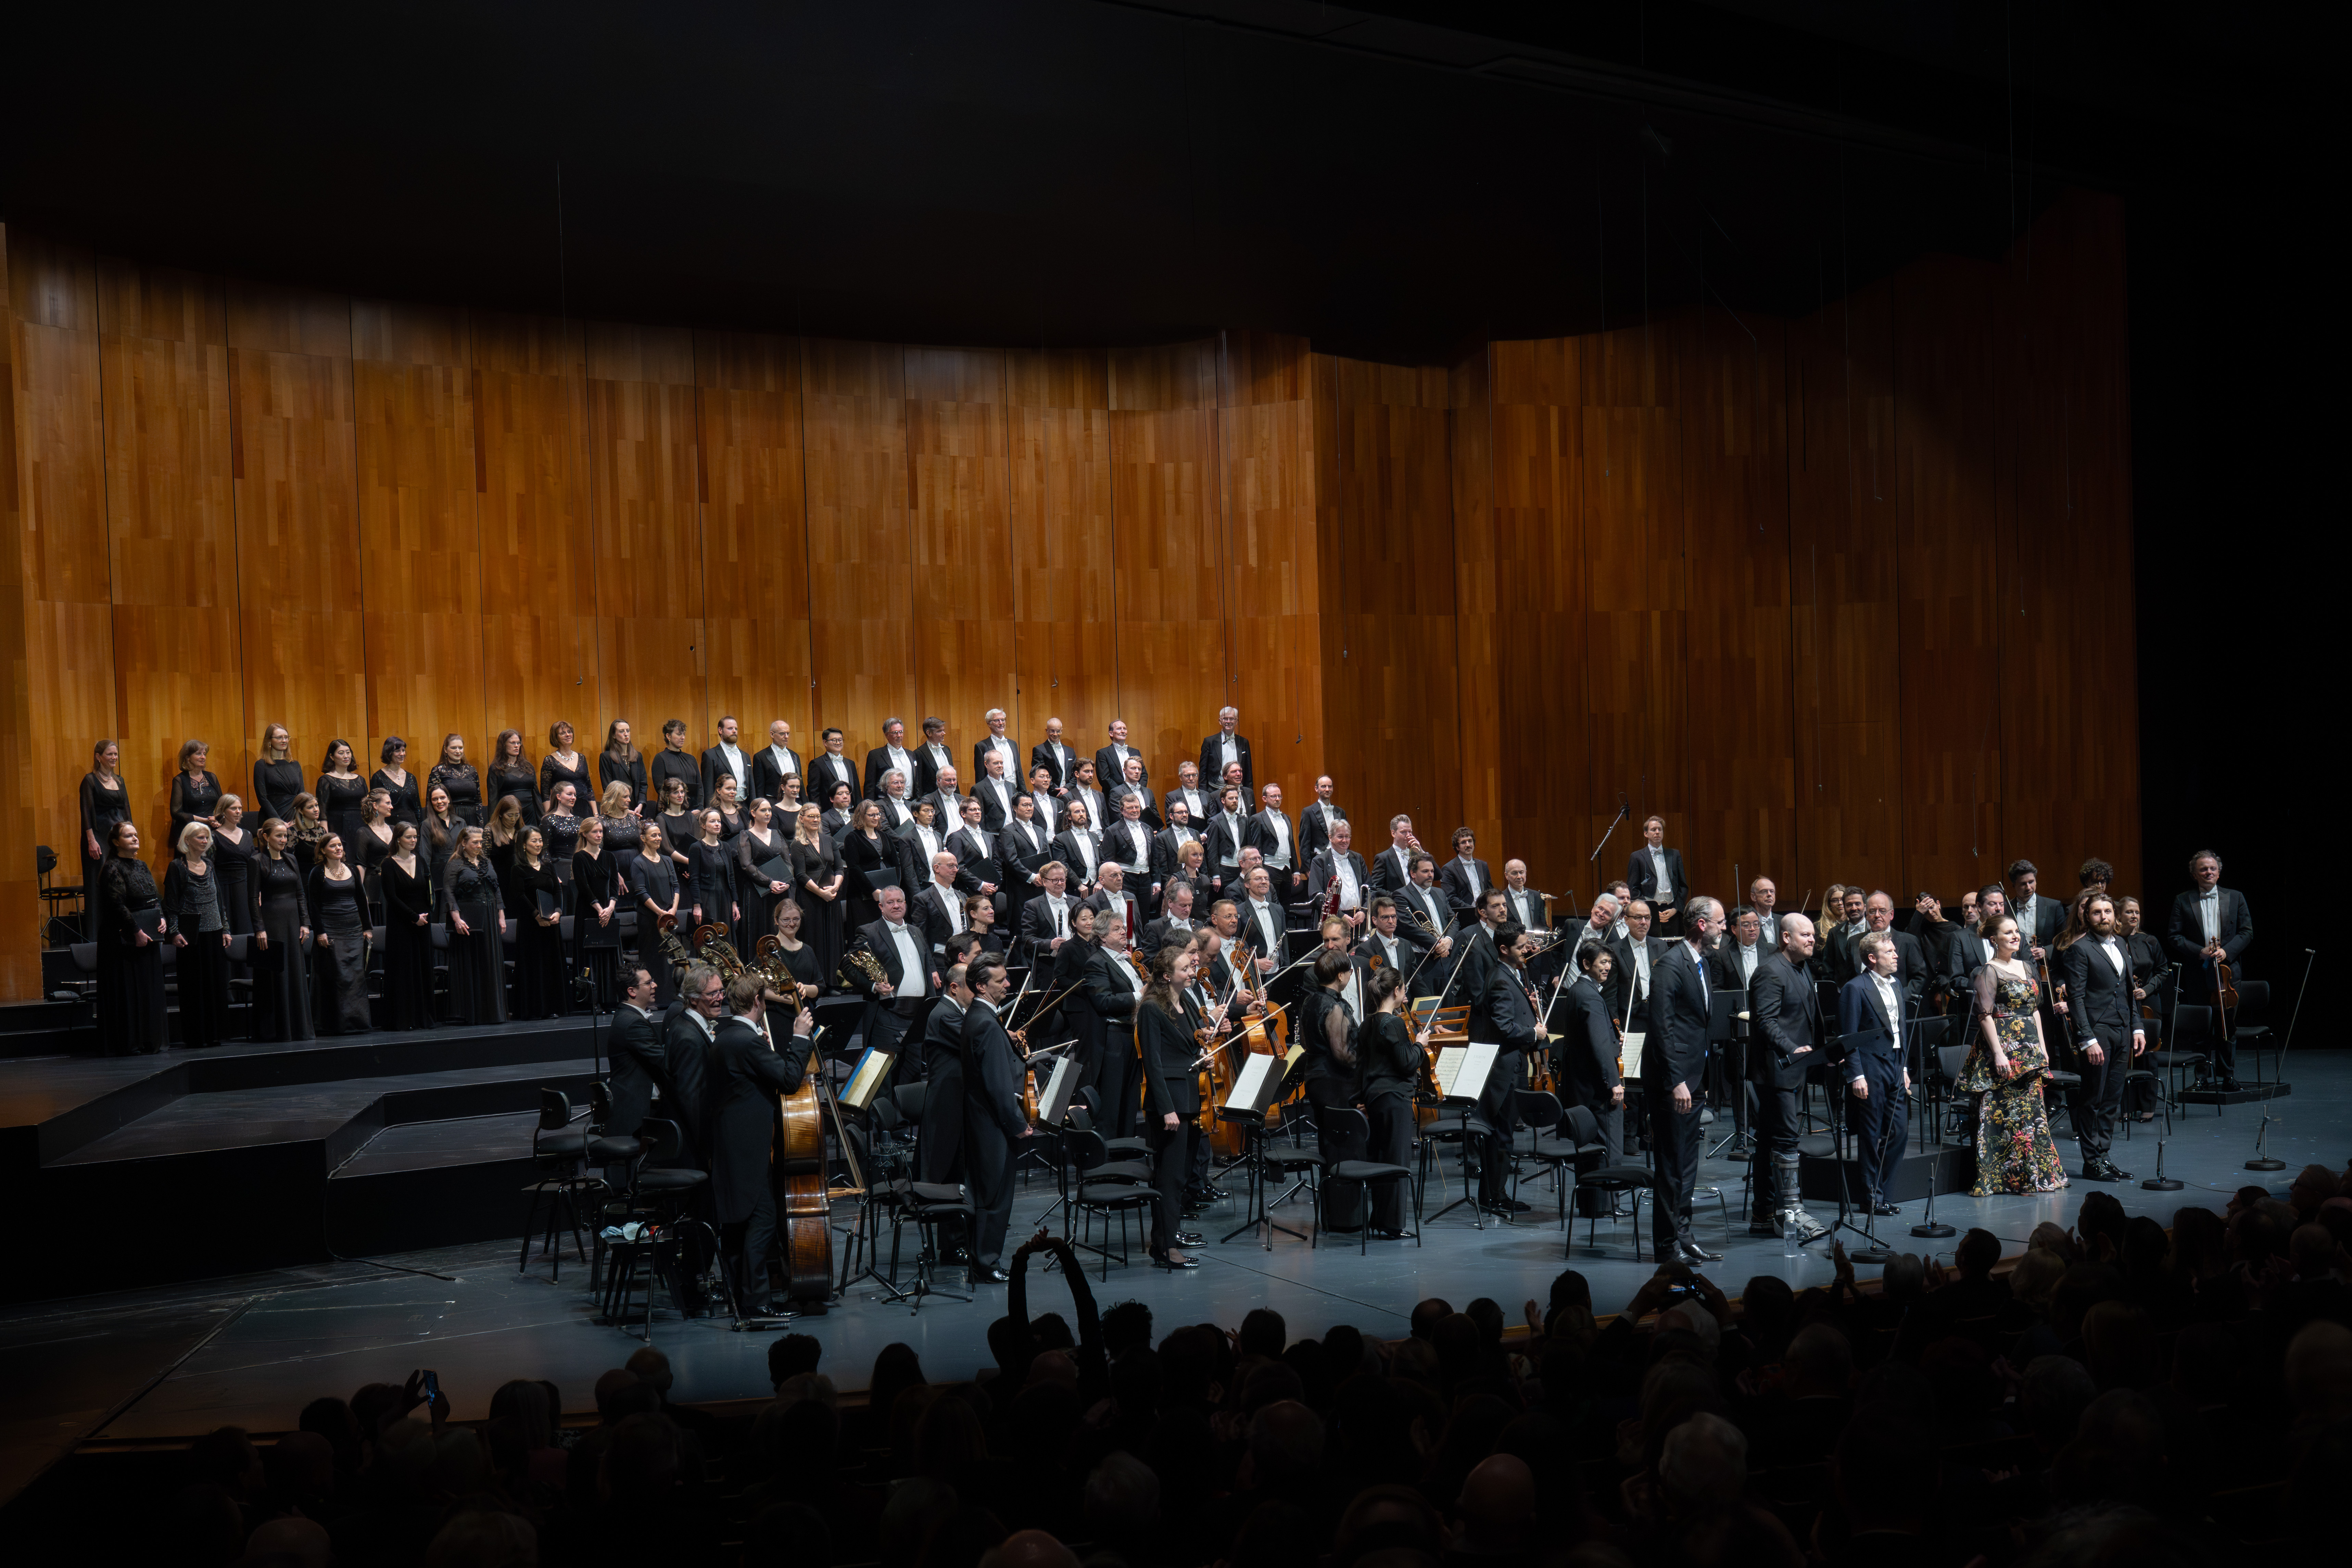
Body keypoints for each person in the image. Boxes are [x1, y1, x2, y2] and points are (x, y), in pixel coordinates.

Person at [708, 972, 818, 1313]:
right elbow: (787, 1079)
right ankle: (756, 1304)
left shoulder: (727, 1037)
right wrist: (800, 1038)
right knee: (763, 1219)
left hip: (732, 1145)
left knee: (740, 1226)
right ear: (758, 1001)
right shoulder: (747, 1041)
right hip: (748, 1149)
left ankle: (741, 1299)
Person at [1956, 914, 2066, 1196]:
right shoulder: (1987, 971)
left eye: (2016, 931)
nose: (2016, 936)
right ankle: (2003, 1179)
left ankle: (2034, 1176)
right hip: (2004, 1049)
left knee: (2031, 1116)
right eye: (2008, 933)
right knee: (2003, 1117)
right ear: (1994, 940)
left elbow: (2035, 1011)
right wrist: (1999, 1054)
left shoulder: (2028, 967)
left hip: (2029, 1050)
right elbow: (1985, 1016)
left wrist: (2042, 1050)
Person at [1646, 895, 1721, 1264]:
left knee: (1688, 1165)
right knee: (1672, 1165)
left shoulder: (1702, 964)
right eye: (1721, 922)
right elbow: (1662, 1028)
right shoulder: (1670, 965)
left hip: (1695, 1079)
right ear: (1702, 924)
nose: (1725, 928)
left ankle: (1684, 1234)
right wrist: (1677, 1080)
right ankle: (1665, 1245)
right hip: (1674, 1083)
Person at [1747, 916, 1826, 1240]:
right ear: (1785, 938)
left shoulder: (1801, 967)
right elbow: (1765, 1021)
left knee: (1768, 1141)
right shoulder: (1769, 971)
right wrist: (1794, 1049)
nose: (1812, 940)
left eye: (1813, 935)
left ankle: (1764, 1215)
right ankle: (1791, 1213)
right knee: (1785, 1140)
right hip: (1778, 1070)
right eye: (1805, 935)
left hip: (1795, 1068)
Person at [2056, 893, 2144, 1181]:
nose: (2104, 917)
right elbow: (2077, 998)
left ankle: (2104, 1157)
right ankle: (2091, 1160)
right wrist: (2087, 1039)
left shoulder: (2121, 943)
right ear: (2087, 917)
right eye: (2097, 912)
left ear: (2115, 916)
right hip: (2098, 1031)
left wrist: (2138, 1027)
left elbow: (2129, 991)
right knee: (2093, 1097)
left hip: (2121, 1029)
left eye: (2108, 911)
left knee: (2112, 1098)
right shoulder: (2079, 950)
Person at [961, 956, 1033, 1283]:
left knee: (988, 1193)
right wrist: (1018, 1125)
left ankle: (983, 1259)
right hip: (993, 1126)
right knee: (995, 1196)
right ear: (981, 986)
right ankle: (987, 1262)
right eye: (1000, 981)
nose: (1008, 985)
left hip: (982, 1122)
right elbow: (999, 1087)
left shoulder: (978, 1016)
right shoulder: (987, 1024)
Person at [1835, 932, 1913, 1217]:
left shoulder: (1896, 985)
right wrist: (1856, 1075)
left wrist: (1904, 1067)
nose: (1896, 955)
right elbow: (1848, 1035)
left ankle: (1884, 1191)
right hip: (1869, 1066)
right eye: (1889, 951)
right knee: (1870, 1135)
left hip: (1894, 1064)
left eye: (1895, 950)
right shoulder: (1855, 988)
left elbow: (1900, 1030)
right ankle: (1871, 1198)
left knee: (1900, 1131)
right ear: (1872, 958)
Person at [1467, 924, 1541, 1217]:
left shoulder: (1512, 974)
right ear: (1504, 950)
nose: (1528, 950)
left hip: (1511, 1067)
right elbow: (1504, 1027)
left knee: (1503, 1135)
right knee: (1501, 1136)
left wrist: (1527, 1005)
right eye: (1522, 947)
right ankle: (1494, 1197)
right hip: (1504, 1071)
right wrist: (1534, 1033)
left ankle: (1494, 1195)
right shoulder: (1500, 979)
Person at [1136, 944, 1202, 1269]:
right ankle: (1165, 1247)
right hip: (1169, 1106)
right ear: (1166, 976)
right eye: (1185, 969)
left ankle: (1166, 1240)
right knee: (1169, 1178)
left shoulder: (1186, 1001)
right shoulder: (1151, 1009)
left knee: (1179, 1177)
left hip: (1189, 1097)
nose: (1192, 972)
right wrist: (1166, 1109)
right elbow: (1153, 1062)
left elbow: (1188, 1047)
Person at [2165, 849, 2253, 1090]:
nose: (2209, 872)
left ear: (2219, 871)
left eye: (2213, 868)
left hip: (2228, 973)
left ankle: (2228, 1076)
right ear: (2194, 874)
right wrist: (2199, 951)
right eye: (2203, 869)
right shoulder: (2183, 900)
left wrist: (2228, 951)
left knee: (2227, 1026)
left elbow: (2247, 932)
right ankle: (2201, 1077)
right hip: (2197, 972)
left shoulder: (2235, 897)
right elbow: (2174, 936)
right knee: (2200, 1027)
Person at [1357, 965, 1421, 1238]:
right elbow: (1407, 1064)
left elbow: (1362, 1066)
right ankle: (1392, 1225)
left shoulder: (1367, 1023)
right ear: (1397, 991)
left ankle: (1380, 1219)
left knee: (1382, 1160)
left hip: (1375, 1098)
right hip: (1395, 1098)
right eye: (1403, 989)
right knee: (1397, 1162)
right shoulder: (1393, 1023)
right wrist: (1420, 1044)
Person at [1557, 941, 1625, 1196]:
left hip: (1582, 1085)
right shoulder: (1590, 996)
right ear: (1587, 964)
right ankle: (1607, 1204)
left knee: (1590, 1148)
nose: (1608, 967)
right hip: (1598, 1087)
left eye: (1609, 962)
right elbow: (1599, 1044)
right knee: (1609, 1147)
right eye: (1603, 962)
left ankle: (1592, 1206)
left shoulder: (1577, 990)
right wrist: (1614, 1083)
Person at [96, 819, 168, 1055]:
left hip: (146, 936)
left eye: (136, 835)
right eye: (129, 836)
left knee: (147, 989)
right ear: (116, 842)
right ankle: (130, 1041)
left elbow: (154, 896)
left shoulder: (142, 865)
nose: (136, 838)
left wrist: (162, 917)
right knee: (128, 990)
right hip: (123, 940)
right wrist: (136, 931)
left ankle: (149, 1039)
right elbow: (117, 905)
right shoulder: (112, 868)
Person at [164, 820, 232, 1049]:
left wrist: (225, 928)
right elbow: (171, 903)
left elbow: (218, 900)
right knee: (194, 987)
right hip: (191, 935)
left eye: (206, 838)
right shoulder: (177, 867)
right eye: (200, 838)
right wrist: (174, 932)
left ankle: (215, 1034)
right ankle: (196, 1036)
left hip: (214, 931)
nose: (205, 841)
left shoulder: (210, 865)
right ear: (187, 840)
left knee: (215, 985)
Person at [249, 817, 314, 1042]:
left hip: (293, 923)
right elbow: (252, 898)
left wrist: (305, 923)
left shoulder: (292, 860)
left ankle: (298, 1028)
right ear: (266, 837)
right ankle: (275, 1031)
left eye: (285, 836)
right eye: (279, 836)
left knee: (294, 973)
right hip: (271, 923)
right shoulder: (257, 861)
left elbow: (300, 894)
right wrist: (259, 929)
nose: (283, 840)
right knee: (274, 975)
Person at [1085, 919, 1148, 1137]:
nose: (1124, 932)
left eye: (1124, 928)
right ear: (1102, 937)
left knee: (1130, 1100)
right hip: (1115, 1039)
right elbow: (1103, 1002)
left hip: (1134, 1035)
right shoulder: (1096, 963)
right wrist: (1141, 994)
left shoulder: (1127, 960)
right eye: (1117, 929)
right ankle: (1109, 1159)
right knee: (1113, 1102)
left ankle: (1126, 1152)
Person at [440, 826, 507, 1026]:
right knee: (474, 963)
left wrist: (501, 915)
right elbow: (449, 893)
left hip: (490, 917)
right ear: (464, 843)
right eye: (475, 843)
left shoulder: (487, 862)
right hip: (469, 919)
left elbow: (496, 890)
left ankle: (493, 1012)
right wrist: (456, 917)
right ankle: (475, 1012)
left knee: (490, 961)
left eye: (481, 842)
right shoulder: (455, 864)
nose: (479, 846)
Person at [307, 833, 372, 1034]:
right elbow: (313, 905)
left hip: (353, 928)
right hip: (331, 928)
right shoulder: (317, 873)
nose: (339, 849)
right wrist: (320, 932)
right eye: (333, 846)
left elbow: (362, 900)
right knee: (339, 977)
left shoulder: (352, 869)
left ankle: (358, 1023)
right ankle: (337, 1024)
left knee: (356, 977)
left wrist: (368, 928)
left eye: (340, 845)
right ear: (323, 850)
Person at [508, 826, 567, 1019]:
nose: (539, 844)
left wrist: (558, 912)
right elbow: (518, 896)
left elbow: (557, 892)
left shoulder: (549, 866)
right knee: (535, 967)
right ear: (524, 845)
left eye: (540, 841)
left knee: (551, 966)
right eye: (534, 841)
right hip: (531, 926)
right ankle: (535, 1009)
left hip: (551, 924)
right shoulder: (518, 869)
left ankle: (553, 1008)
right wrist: (537, 916)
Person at [380, 822, 434, 1029]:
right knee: (403, 970)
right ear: (398, 839)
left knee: (421, 968)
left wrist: (426, 915)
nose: (414, 841)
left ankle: (422, 1018)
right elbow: (391, 897)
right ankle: (403, 1019)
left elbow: (426, 890)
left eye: (416, 837)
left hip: (423, 922)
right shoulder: (388, 864)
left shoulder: (420, 860)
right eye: (410, 837)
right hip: (402, 923)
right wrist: (413, 916)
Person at [788, 803, 845, 985]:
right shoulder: (797, 844)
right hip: (811, 898)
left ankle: (834, 982)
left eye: (818, 816)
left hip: (832, 897)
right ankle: (818, 983)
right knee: (816, 940)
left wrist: (835, 887)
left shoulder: (829, 840)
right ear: (802, 819)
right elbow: (800, 875)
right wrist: (821, 893)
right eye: (811, 816)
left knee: (833, 939)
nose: (815, 820)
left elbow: (839, 868)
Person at [573, 813, 623, 1012]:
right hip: (589, 911)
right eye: (595, 832)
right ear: (585, 834)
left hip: (608, 911)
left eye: (601, 832)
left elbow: (614, 885)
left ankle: (611, 1000)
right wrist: (599, 909)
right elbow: (583, 887)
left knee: (610, 954)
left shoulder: (610, 856)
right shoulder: (579, 858)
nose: (599, 835)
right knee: (591, 956)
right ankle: (592, 1001)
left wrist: (611, 908)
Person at [628, 823, 682, 1006]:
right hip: (651, 920)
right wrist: (661, 913)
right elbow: (641, 892)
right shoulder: (638, 863)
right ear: (644, 839)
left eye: (660, 835)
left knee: (670, 958)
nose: (658, 838)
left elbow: (676, 886)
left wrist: (673, 911)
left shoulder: (667, 860)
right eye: (654, 836)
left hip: (668, 921)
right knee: (653, 958)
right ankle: (652, 1000)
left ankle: (670, 997)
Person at [81, 738, 133, 912]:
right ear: (99, 757)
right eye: (110, 754)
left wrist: (132, 837)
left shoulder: (120, 781)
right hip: (99, 837)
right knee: (100, 880)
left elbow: (126, 810)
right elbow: (86, 812)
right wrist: (91, 841)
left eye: (116, 754)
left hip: (118, 836)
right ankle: (97, 933)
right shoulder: (90, 780)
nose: (114, 758)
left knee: (122, 878)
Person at [734, 796, 793, 945]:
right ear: (753, 813)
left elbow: (788, 862)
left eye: (770, 810)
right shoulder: (746, 835)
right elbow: (747, 865)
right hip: (757, 891)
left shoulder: (778, 833)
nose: (768, 814)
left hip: (780, 890)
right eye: (764, 810)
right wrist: (770, 882)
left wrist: (787, 882)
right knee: (759, 932)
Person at [1626, 815, 1688, 936]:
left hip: (1672, 911)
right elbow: (1633, 890)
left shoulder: (1674, 855)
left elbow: (1683, 886)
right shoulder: (1637, 857)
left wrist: (1676, 909)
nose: (1658, 832)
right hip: (1649, 913)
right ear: (1646, 834)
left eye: (1660, 829)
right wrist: (1650, 911)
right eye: (1653, 830)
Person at [208, 794, 257, 940]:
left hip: (245, 888)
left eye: (240, 809)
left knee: (246, 930)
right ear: (223, 811)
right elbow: (210, 868)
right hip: (224, 890)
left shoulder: (248, 835)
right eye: (234, 808)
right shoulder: (213, 837)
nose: (238, 812)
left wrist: (257, 891)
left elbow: (254, 866)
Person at [688, 808, 740, 934]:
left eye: (719, 821)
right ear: (703, 825)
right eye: (713, 821)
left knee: (726, 934)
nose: (717, 824)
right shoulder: (697, 848)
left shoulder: (726, 847)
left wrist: (734, 903)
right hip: (707, 898)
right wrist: (697, 906)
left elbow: (731, 877)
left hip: (725, 898)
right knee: (710, 935)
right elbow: (694, 880)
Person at [168, 738, 224, 848]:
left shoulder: (212, 777)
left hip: (214, 830)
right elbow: (176, 812)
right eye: (199, 754)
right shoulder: (180, 780)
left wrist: (218, 819)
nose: (203, 757)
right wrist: (204, 821)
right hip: (191, 832)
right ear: (188, 758)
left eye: (205, 754)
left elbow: (222, 804)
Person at [317, 738, 367, 850]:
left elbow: (366, 806)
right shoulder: (326, 780)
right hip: (338, 825)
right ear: (332, 757)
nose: (346, 756)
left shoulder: (361, 780)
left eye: (348, 753)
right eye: (341, 753)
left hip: (360, 825)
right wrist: (325, 835)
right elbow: (323, 811)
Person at [252, 723, 304, 826]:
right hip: (272, 818)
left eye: (286, 737)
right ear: (270, 741)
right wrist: (279, 822)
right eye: (280, 738)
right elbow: (262, 798)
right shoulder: (261, 765)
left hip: (294, 819)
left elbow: (302, 795)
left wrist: (296, 820)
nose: (284, 741)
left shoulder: (295, 765)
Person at [540, 721, 592, 820]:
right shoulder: (550, 761)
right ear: (556, 738)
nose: (568, 735)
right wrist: (549, 815)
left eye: (569, 732)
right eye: (563, 733)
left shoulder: (581, 758)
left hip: (584, 808)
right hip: (563, 809)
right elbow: (545, 792)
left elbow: (589, 786)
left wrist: (596, 813)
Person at [486, 728, 540, 826]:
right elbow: (493, 799)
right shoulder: (496, 769)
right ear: (504, 746)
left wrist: (542, 818)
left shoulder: (528, 767)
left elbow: (536, 795)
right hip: (509, 818)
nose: (516, 746)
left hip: (530, 817)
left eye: (518, 743)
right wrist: (493, 824)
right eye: (512, 743)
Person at [1439, 828, 1492, 923]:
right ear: (1457, 847)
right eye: (1464, 842)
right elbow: (1450, 898)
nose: (1468, 845)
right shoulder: (1449, 869)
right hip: (1464, 917)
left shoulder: (1483, 865)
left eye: (1470, 841)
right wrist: (1474, 911)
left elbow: (1490, 890)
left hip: (1485, 916)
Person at [428, 733, 482, 826]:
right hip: (450, 818)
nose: (458, 751)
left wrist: (481, 825)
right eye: (454, 748)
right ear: (446, 750)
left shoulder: (472, 770)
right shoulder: (438, 771)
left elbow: (478, 801)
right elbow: (432, 802)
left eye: (461, 748)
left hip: (472, 818)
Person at [1198, 706, 1252, 798]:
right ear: (1220, 721)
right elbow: (1203, 772)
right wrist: (1204, 796)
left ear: (1237, 722)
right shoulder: (1210, 742)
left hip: (1238, 791)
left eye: (1232, 719)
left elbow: (1248, 772)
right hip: (1215, 790)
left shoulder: (1244, 742)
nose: (1228, 722)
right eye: (1225, 719)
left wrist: (1249, 794)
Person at [599, 719, 649, 812]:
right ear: (614, 735)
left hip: (638, 807)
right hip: (617, 809)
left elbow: (643, 784)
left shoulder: (638, 757)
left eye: (628, 731)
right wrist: (625, 809)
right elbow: (608, 788)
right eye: (622, 732)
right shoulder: (606, 757)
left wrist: (641, 804)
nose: (626, 734)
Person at [650, 719, 700, 810]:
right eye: (679, 734)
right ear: (669, 736)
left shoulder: (691, 759)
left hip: (693, 809)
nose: (683, 737)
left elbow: (700, 787)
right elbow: (661, 789)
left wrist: (700, 808)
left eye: (684, 734)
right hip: (671, 810)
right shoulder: (661, 758)